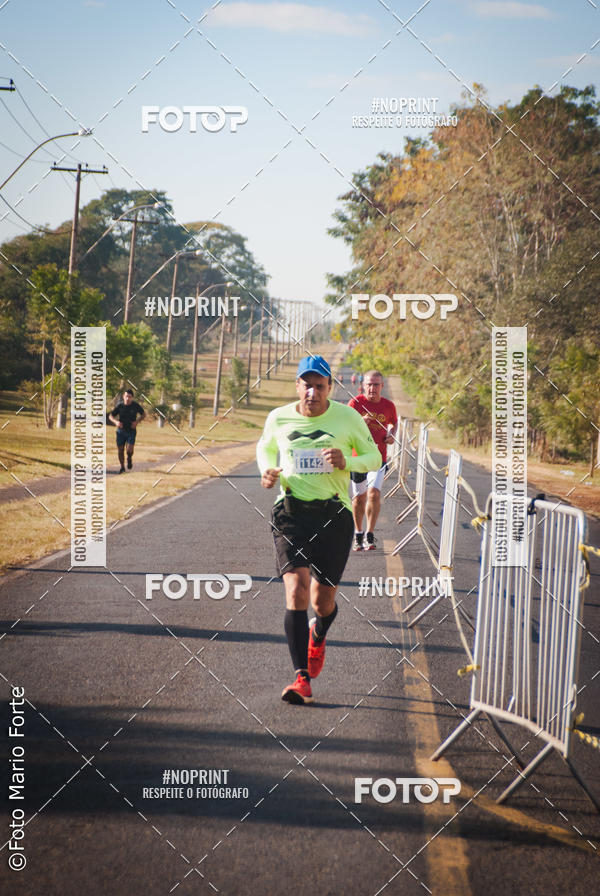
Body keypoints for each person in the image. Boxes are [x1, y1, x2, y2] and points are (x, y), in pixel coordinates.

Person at [257, 355, 380, 704]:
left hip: (334, 515)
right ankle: (301, 679)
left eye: (320, 386)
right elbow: (265, 447)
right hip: (291, 512)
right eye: (306, 384)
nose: (312, 392)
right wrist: (266, 470)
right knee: (295, 590)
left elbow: (374, 457)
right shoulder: (278, 417)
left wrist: (349, 462)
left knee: (322, 602)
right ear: (297, 385)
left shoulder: (347, 417)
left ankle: (320, 632)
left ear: (329, 388)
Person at [348, 370, 398, 551]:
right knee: (359, 498)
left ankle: (370, 534)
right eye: (369, 384)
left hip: (379, 457)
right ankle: (358, 533)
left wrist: (392, 434)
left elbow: (393, 422)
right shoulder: (355, 403)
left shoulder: (388, 406)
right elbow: (346, 427)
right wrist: (361, 421)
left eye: (376, 384)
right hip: (358, 459)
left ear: (382, 387)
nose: (372, 388)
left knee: (373, 494)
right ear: (363, 385)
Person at [109, 389, 145, 473]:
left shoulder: (135, 406)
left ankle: (129, 457)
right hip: (120, 431)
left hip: (131, 431)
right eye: (126, 396)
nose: (127, 398)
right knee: (120, 450)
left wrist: (137, 422)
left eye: (129, 397)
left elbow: (143, 414)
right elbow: (111, 416)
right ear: (123, 397)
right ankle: (122, 467)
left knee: (129, 450)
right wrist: (116, 422)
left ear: (132, 398)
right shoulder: (120, 406)